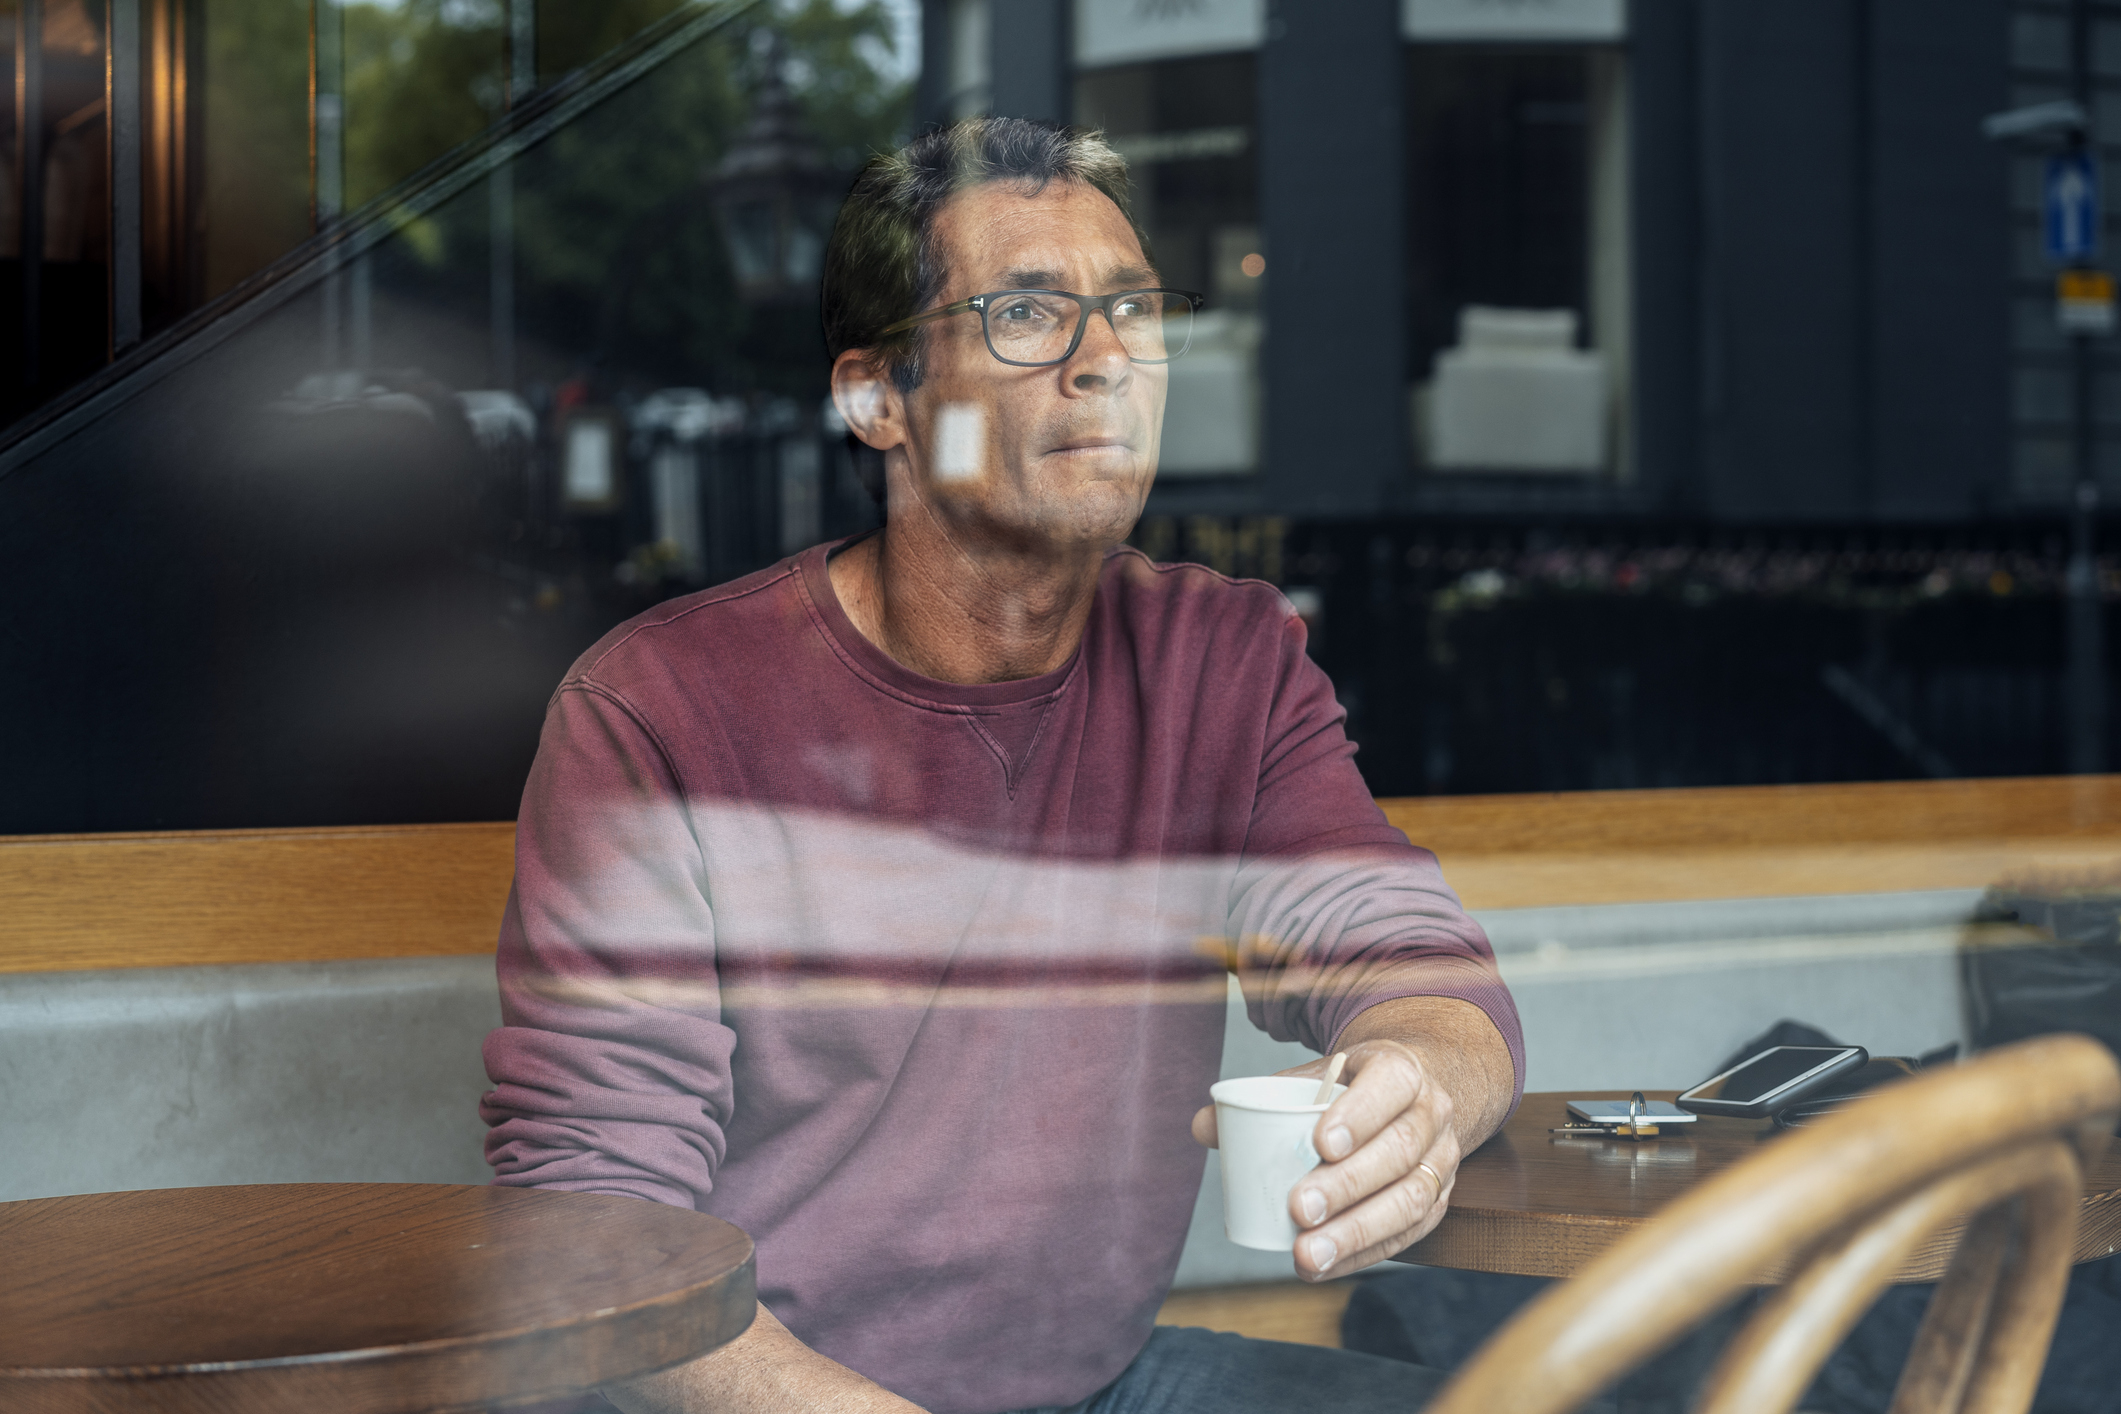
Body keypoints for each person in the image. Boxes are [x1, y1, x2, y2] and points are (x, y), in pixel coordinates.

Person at [479, 117, 1524, 1414]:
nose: (1108, 362)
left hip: (1097, 1380)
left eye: (1133, 308)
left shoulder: (1223, 655)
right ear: (877, 398)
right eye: (1029, 311)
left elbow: (1402, 948)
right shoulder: (660, 708)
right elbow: (596, 1235)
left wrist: (1425, 1080)